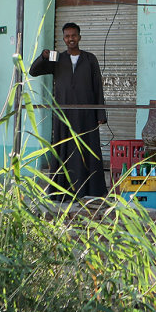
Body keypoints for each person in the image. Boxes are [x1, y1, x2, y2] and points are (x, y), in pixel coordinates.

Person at [29, 22, 107, 199]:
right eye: (67, 36)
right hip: (63, 115)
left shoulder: (90, 59)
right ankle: (61, 194)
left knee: (87, 152)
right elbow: (33, 71)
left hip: (86, 115)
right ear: (63, 38)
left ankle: (92, 192)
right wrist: (43, 56)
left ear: (79, 37)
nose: (70, 39)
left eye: (74, 35)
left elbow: (98, 87)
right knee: (64, 151)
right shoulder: (57, 58)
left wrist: (100, 114)